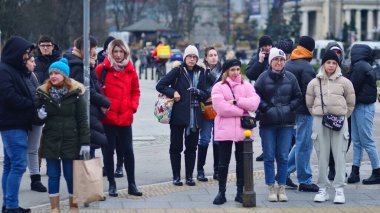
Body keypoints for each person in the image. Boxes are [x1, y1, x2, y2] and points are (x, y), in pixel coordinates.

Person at [35, 58, 90, 212]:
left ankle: (73, 205)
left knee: (70, 175)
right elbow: (35, 118)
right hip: (51, 140)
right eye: (51, 73)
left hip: (70, 140)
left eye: (57, 73)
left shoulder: (76, 93)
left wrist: (85, 142)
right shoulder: (43, 93)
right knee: (53, 176)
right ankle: (55, 208)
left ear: (64, 76)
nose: (53, 76)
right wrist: (38, 116)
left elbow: (82, 119)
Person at [305, 50, 355, 204]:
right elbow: (309, 102)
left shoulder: (345, 82)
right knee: (322, 156)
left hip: (339, 121)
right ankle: (323, 189)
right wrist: (317, 114)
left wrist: (341, 116)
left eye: (334, 63)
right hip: (320, 122)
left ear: (337, 64)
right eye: (328, 62)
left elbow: (351, 103)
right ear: (323, 64)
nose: (331, 65)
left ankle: (339, 189)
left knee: (340, 156)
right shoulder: (314, 82)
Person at [95, 39, 142, 197]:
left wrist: (132, 107)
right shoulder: (102, 69)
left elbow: (136, 91)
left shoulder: (130, 69)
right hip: (107, 118)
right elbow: (96, 91)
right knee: (108, 152)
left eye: (121, 51)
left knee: (128, 151)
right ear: (110, 52)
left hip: (125, 117)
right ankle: (112, 184)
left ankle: (132, 184)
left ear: (125, 52)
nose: (118, 54)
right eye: (115, 51)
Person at [254, 48, 302, 202]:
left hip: (286, 123)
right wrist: (266, 108)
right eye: (276, 59)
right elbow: (255, 97)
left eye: (281, 60)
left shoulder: (291, 77)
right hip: (267, 123)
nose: (279, 62)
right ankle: (270, 187)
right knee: (268, 156)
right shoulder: (262, 78)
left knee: (282, 156)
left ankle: (281, 186)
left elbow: (298, 96)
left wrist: (289, 108)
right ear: (271, 62)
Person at [156, 45, 207, 187]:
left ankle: (189, 176)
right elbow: (160, 85)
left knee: (191, 148)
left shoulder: (200, 72)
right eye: (189, 56)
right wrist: (173, 93)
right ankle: (176, 176)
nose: (192, 59)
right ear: (185, 58)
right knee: (176, 147)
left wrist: (198, 92)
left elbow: (206, 93)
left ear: (197, 59)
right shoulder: (177, 71)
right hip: (178, 115)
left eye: (194, 57)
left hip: (194, 116)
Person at [211, 59, 260, 205]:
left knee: (241, 162)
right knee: (223, 162)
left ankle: (240, 192)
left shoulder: (246, 85)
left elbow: (255, 103)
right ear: (226, 71)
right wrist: (243, 111)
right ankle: (221, 192)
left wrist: (237, 101)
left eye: (238, 69)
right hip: (224, 129)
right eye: (232, 70)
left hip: (242, 130)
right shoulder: (218, 86)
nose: (236, 73)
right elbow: (221, 108)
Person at [0, 36, 35, 213]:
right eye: (25, 53)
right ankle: (11, 206)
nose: (26, 57)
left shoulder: (12, 69)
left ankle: (9, 204)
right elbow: (9, 96)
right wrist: (31, 104)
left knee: (9, 165)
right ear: (16, 52)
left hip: (14, 124)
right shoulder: (5, 70)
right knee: (18, 165)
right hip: (12, 125)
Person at [64, 36, 111, 158]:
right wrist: (106, 103)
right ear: (86, 49)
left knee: (91, 147)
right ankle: (84, 176)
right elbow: (86, 91)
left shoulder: (87, 64)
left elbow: (95, 87)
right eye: (94, 47)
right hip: (84, 112)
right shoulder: (79, 67)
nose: (95, 51)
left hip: (91, 112)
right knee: (86, 150)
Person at [285, 36, 319, 192]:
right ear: (310, 50)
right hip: (305, 111)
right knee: (304, 145)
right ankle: (305, 179)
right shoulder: (306, 67)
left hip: (291, 110)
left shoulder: (289, 63)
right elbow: (310, 92)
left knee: (299, 142)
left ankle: (284, 172)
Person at [347, 44, 380, 185]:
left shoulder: (360, 66)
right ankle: (355, 171)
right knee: (357, 140)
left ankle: (377, 171)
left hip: (363, 107)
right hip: (359, 106)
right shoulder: (364, 65)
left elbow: (352, 86)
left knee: (366, 140)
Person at [197, 47, 223, 182]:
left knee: (217, 140)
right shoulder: (201, 72)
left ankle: (217, 170)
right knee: (205, 139)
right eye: (210, 55)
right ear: (206, 58)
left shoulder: (223, 72)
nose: (213, 57)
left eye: (215, 55)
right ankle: (200, 170)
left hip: (219, 110)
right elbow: (199, 90)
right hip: (206, 109)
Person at [245, 35, 273, 162]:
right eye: (265, 46)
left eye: (269, 45)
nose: (267, 48)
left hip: (276, 95)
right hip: (261, 97)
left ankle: (274, 150)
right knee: (264, 126)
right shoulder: (257, 57)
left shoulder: (275, 56)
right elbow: (250, 73)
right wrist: (260, 61)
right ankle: (266, 150)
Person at [324, 42, 349, 181]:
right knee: (329, 144)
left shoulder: (345, 69)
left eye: (338, 52)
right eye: (333, 52)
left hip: (342, 113)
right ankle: (332, 169)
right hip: (327, 113)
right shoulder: (322, 72)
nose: (336, 55)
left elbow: (350, 94)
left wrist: (347, 112)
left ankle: (340, 168)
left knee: (342, 143)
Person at [25, 54, 48, 193]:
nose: (34, 64)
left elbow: (38, 93)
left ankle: (35, 179)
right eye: (31, 61)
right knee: (22, 149)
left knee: (34, 148)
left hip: (37, 117)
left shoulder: (33, 75)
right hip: (24, 117)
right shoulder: (19, 76)